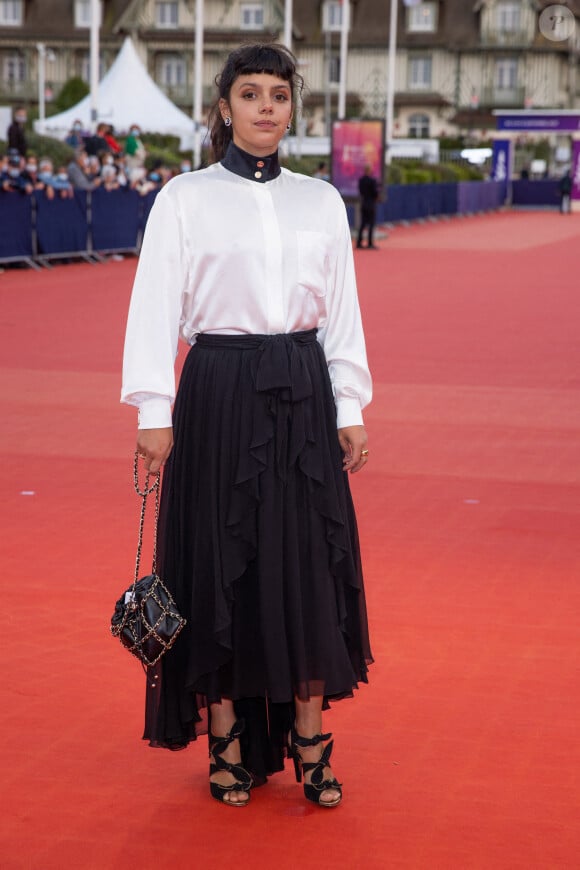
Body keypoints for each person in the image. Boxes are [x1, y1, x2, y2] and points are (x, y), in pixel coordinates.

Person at [121, 43, 373, 810]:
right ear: (223, 107)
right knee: (219, 559)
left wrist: (352, 405)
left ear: (293, 109)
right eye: (251, 93)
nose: (267, 107)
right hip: (219, 391)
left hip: (303, 391)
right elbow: (155, 307)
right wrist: (153, 413)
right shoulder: (184, 197)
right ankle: (225, 737)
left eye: (280, 95)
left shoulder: (321, 200)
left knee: (302, 563)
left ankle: (309, 736)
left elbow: (342, 314)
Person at [356, 164, 380, 249]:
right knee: (371, 224)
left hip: (364, 203)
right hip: (371, 204)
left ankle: (359, 242)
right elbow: (375, 192)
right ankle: (369, 243)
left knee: (362, 224)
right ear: (369, 171)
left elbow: (360, 191)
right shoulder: (372, 180)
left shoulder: (361, 180)